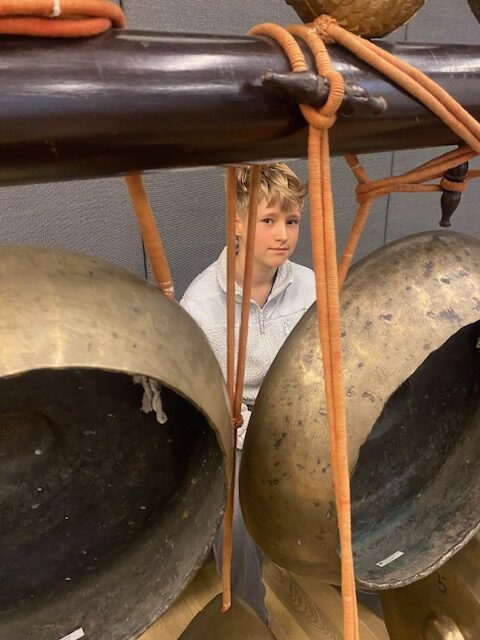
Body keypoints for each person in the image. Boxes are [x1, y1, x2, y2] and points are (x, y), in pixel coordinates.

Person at [180, 162, 316, 623]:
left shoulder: (310, 288)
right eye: (268, 220)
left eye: (291, 221)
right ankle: (250, 617)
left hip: (297, 423)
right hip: (237, 435)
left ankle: (357, 574)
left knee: (352, 474)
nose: (282, 235)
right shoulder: (201, 304)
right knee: (235, 520)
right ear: (237, 222)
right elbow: (202, 404)